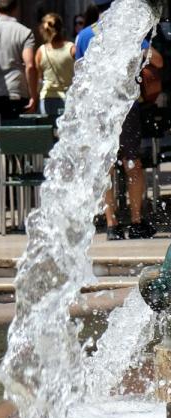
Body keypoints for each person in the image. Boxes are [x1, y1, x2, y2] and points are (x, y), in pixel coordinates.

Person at [77, 0, 163, 240]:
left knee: (105, 165)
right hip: (125, 107)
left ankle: (112, 223)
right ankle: (136, 221)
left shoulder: (84, 36)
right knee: (131, 161)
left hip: (97, 109)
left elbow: (79, 73)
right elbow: (157, 61)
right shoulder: (128, 32)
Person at [35, 13, 75, 118]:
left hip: (46, 99)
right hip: (68, 99)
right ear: (61, 28)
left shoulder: (41, 51)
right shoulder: (71, 49)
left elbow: (38, 80)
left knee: (46, 132)